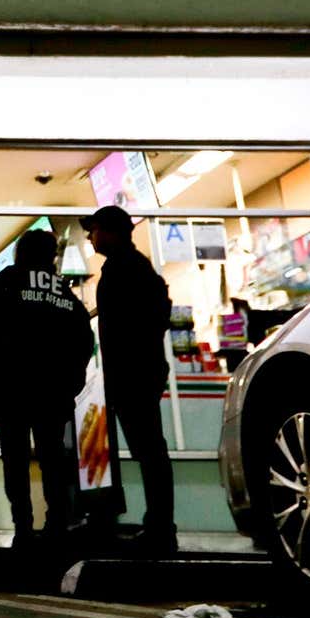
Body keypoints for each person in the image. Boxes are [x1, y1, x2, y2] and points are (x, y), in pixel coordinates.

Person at [0, 229, 94, 549]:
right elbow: (84, 338)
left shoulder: (3, 284)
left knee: (15, 460)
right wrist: (73, 378)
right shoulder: (64, 293)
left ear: (20, 253)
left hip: (10, 388)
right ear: (50, 257)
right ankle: (56, 525)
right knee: (53, 458)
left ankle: (23, 527)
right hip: (52, 392)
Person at [82, 204, 177, 555]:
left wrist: (127, 363)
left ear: (109, 231)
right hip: (135, 373)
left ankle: (160, 528)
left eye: (93, 230)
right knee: (149, 451)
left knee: (150, 451)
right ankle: (158, 525)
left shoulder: (128, 269)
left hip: (134, 374)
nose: (90, 237)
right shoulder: (133, 268)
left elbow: (141, 323)